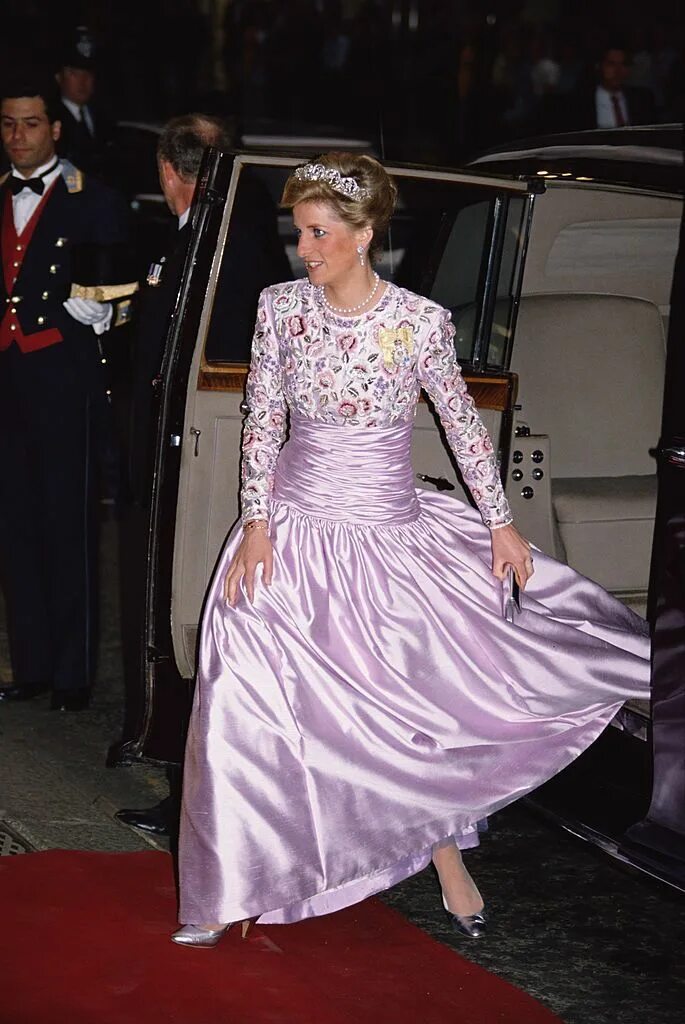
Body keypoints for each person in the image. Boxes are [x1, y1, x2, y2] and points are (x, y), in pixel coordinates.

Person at [172, 153, 650, 947]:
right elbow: (260, 420)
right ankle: (233, 884)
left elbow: (463, 425)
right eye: (301, 234)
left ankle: (442, 854)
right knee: (242, 699)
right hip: (287, 532)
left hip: (388, 539)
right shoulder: (280, 307)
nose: (307, 250)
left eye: (321, 234)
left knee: (404, 711)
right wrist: (254, 521)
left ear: (364, 236)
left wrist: (498, 521)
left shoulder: (418, 322)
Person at [116, 113, 290, 836]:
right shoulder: (216, 241)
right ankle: (186, 777)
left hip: (200, 465)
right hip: (179, 457)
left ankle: (199, 791)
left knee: (192, 616)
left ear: (168, 172)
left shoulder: (225, 250)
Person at [0, 76, 134, 712]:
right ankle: (30, 665)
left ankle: (73, 674)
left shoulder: (93, 198)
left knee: (68, 521)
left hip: (62, 375)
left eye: (30, 123)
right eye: (8, 123)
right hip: (6, 376)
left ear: (55, 129)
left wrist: (106, 313)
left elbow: (124, 285)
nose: (18, 136)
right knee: (15, 521)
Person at [55, 27, 113, 178]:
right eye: (74, 73)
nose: (83, 81)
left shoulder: (103, 117)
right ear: (59, 77)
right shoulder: (50, 119)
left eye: (88, 74)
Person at [566, 43, 656, 130]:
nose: (618, 71)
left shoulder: (642, 99)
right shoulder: (580, 102)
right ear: (599, 67)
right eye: (611, 64)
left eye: (623, 64)